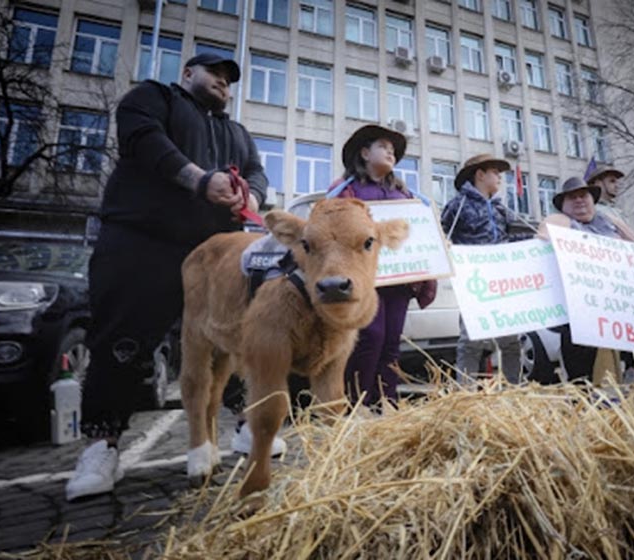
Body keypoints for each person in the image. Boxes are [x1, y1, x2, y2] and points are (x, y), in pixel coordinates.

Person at [65, 53, 279, 502]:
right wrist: (200, 180)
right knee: (122, 339)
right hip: (144, 239)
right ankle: (103, 445)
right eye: (214, 73)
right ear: (187, 73)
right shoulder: (152, 97)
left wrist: (254, 196)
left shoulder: (236, 132)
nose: (223, 82)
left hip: (215, 249)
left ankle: (246, 424)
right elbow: (146, 140)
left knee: (233, 338)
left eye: (229, 79)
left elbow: (257, 172)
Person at [330, 124, 434, 408]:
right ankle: (357, 404)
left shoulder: (406, 195)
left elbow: (421, 235)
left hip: (398, 282)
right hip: (365, 282)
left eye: (393, 150)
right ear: (364, 153)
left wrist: (429, 268)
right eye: (383, 147)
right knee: (369, 339)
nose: (390, 152)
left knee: (390, 343)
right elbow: (332, 233)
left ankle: (386, 404)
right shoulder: (345, 191)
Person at [537, 177, 634, 382]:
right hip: (580, 311)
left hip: (613, 307)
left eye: (583, 195)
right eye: (572, 197)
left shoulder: (610, 222)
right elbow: (542, 235)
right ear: (563, 205)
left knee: (611, 361)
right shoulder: (563, 221)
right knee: (581, 363)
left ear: (592, 199)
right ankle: (583, 400)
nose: (579, 201)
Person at [441, 154, 531, 384]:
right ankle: (466, 393)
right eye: (495, 173)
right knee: (471, 340)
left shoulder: (500, 208)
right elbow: (442, 233)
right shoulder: (458, 205)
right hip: (475, 282)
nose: (500, 178)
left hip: (502, 281)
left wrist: (540, 239)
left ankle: (516, 388)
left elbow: (517, 233)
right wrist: (445, 244)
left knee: (511, 339)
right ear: (480, 175)